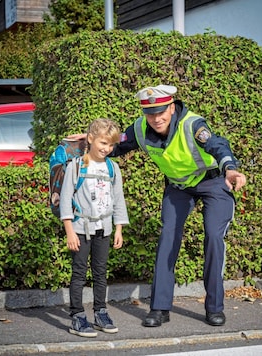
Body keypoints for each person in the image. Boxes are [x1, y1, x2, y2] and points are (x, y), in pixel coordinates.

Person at [112, 84, 247, 327]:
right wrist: (88, 144)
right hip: (179, 187)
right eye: (150, 113)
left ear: (172, 108)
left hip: (213, 181)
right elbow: (116, 145)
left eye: (161, 112)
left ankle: (214, 307)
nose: (155, 118)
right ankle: (159, 309)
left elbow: (217, 145)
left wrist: (230, 168)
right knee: (167, 236)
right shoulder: (140, 129)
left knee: (214, 236)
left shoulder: (192, 125)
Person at [60, 118, 129, 337]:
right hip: (81, 228)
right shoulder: (76, 166)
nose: (107, 149)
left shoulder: (112, 168)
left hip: (104, 229)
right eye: (102, 143)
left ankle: (100, 312)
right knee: (79, 274)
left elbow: (118, 199)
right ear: (90, 139)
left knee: (100, 273)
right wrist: (69, 230)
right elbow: (65, 199)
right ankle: (77, 316)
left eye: (110, 145)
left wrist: (118, 228)